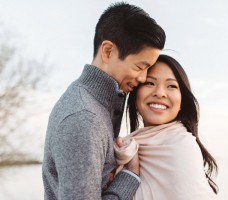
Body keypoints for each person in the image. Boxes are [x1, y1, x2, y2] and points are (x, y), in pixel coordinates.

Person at [42, 2, 165, 200]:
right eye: (140, 67)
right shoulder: (83, 117)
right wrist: (130, 174)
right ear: (108, 51)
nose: (143, 78)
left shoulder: (96, 105)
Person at [114, 54, 218, 199]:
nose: (160, 93)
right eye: (150, 83)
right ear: (135, 96)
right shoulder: (126, 146)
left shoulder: (181, 146)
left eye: (172, 86)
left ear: (182, 101)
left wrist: (131, 173)